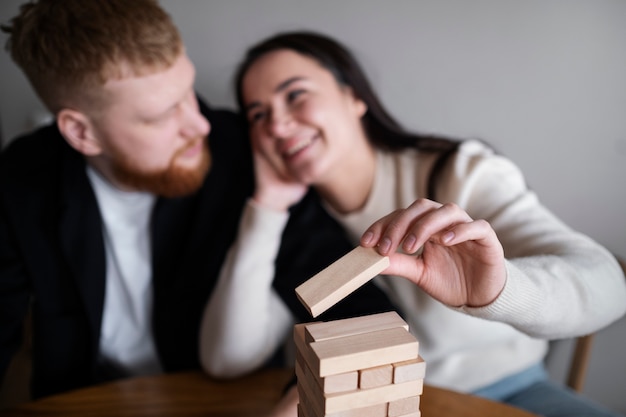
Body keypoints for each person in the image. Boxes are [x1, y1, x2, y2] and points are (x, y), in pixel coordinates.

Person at [200, 31, 626, 417]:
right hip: (372, 406)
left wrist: (499, 288)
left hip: (508, 393)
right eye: (258, 115)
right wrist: (267, 207)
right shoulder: (294, 227)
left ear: (354, 97)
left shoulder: (459, 174)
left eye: (295, 95)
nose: (277, 124)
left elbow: (608, 285)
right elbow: (228, 359)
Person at [0, 3, 398, 402]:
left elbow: (362, 314)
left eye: (188, 92)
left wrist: (296, 406)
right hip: (84, 404)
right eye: (161, 115)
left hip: (226, 404)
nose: (199, 125)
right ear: (81, 133)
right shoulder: (22, 179)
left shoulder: (244, 153)